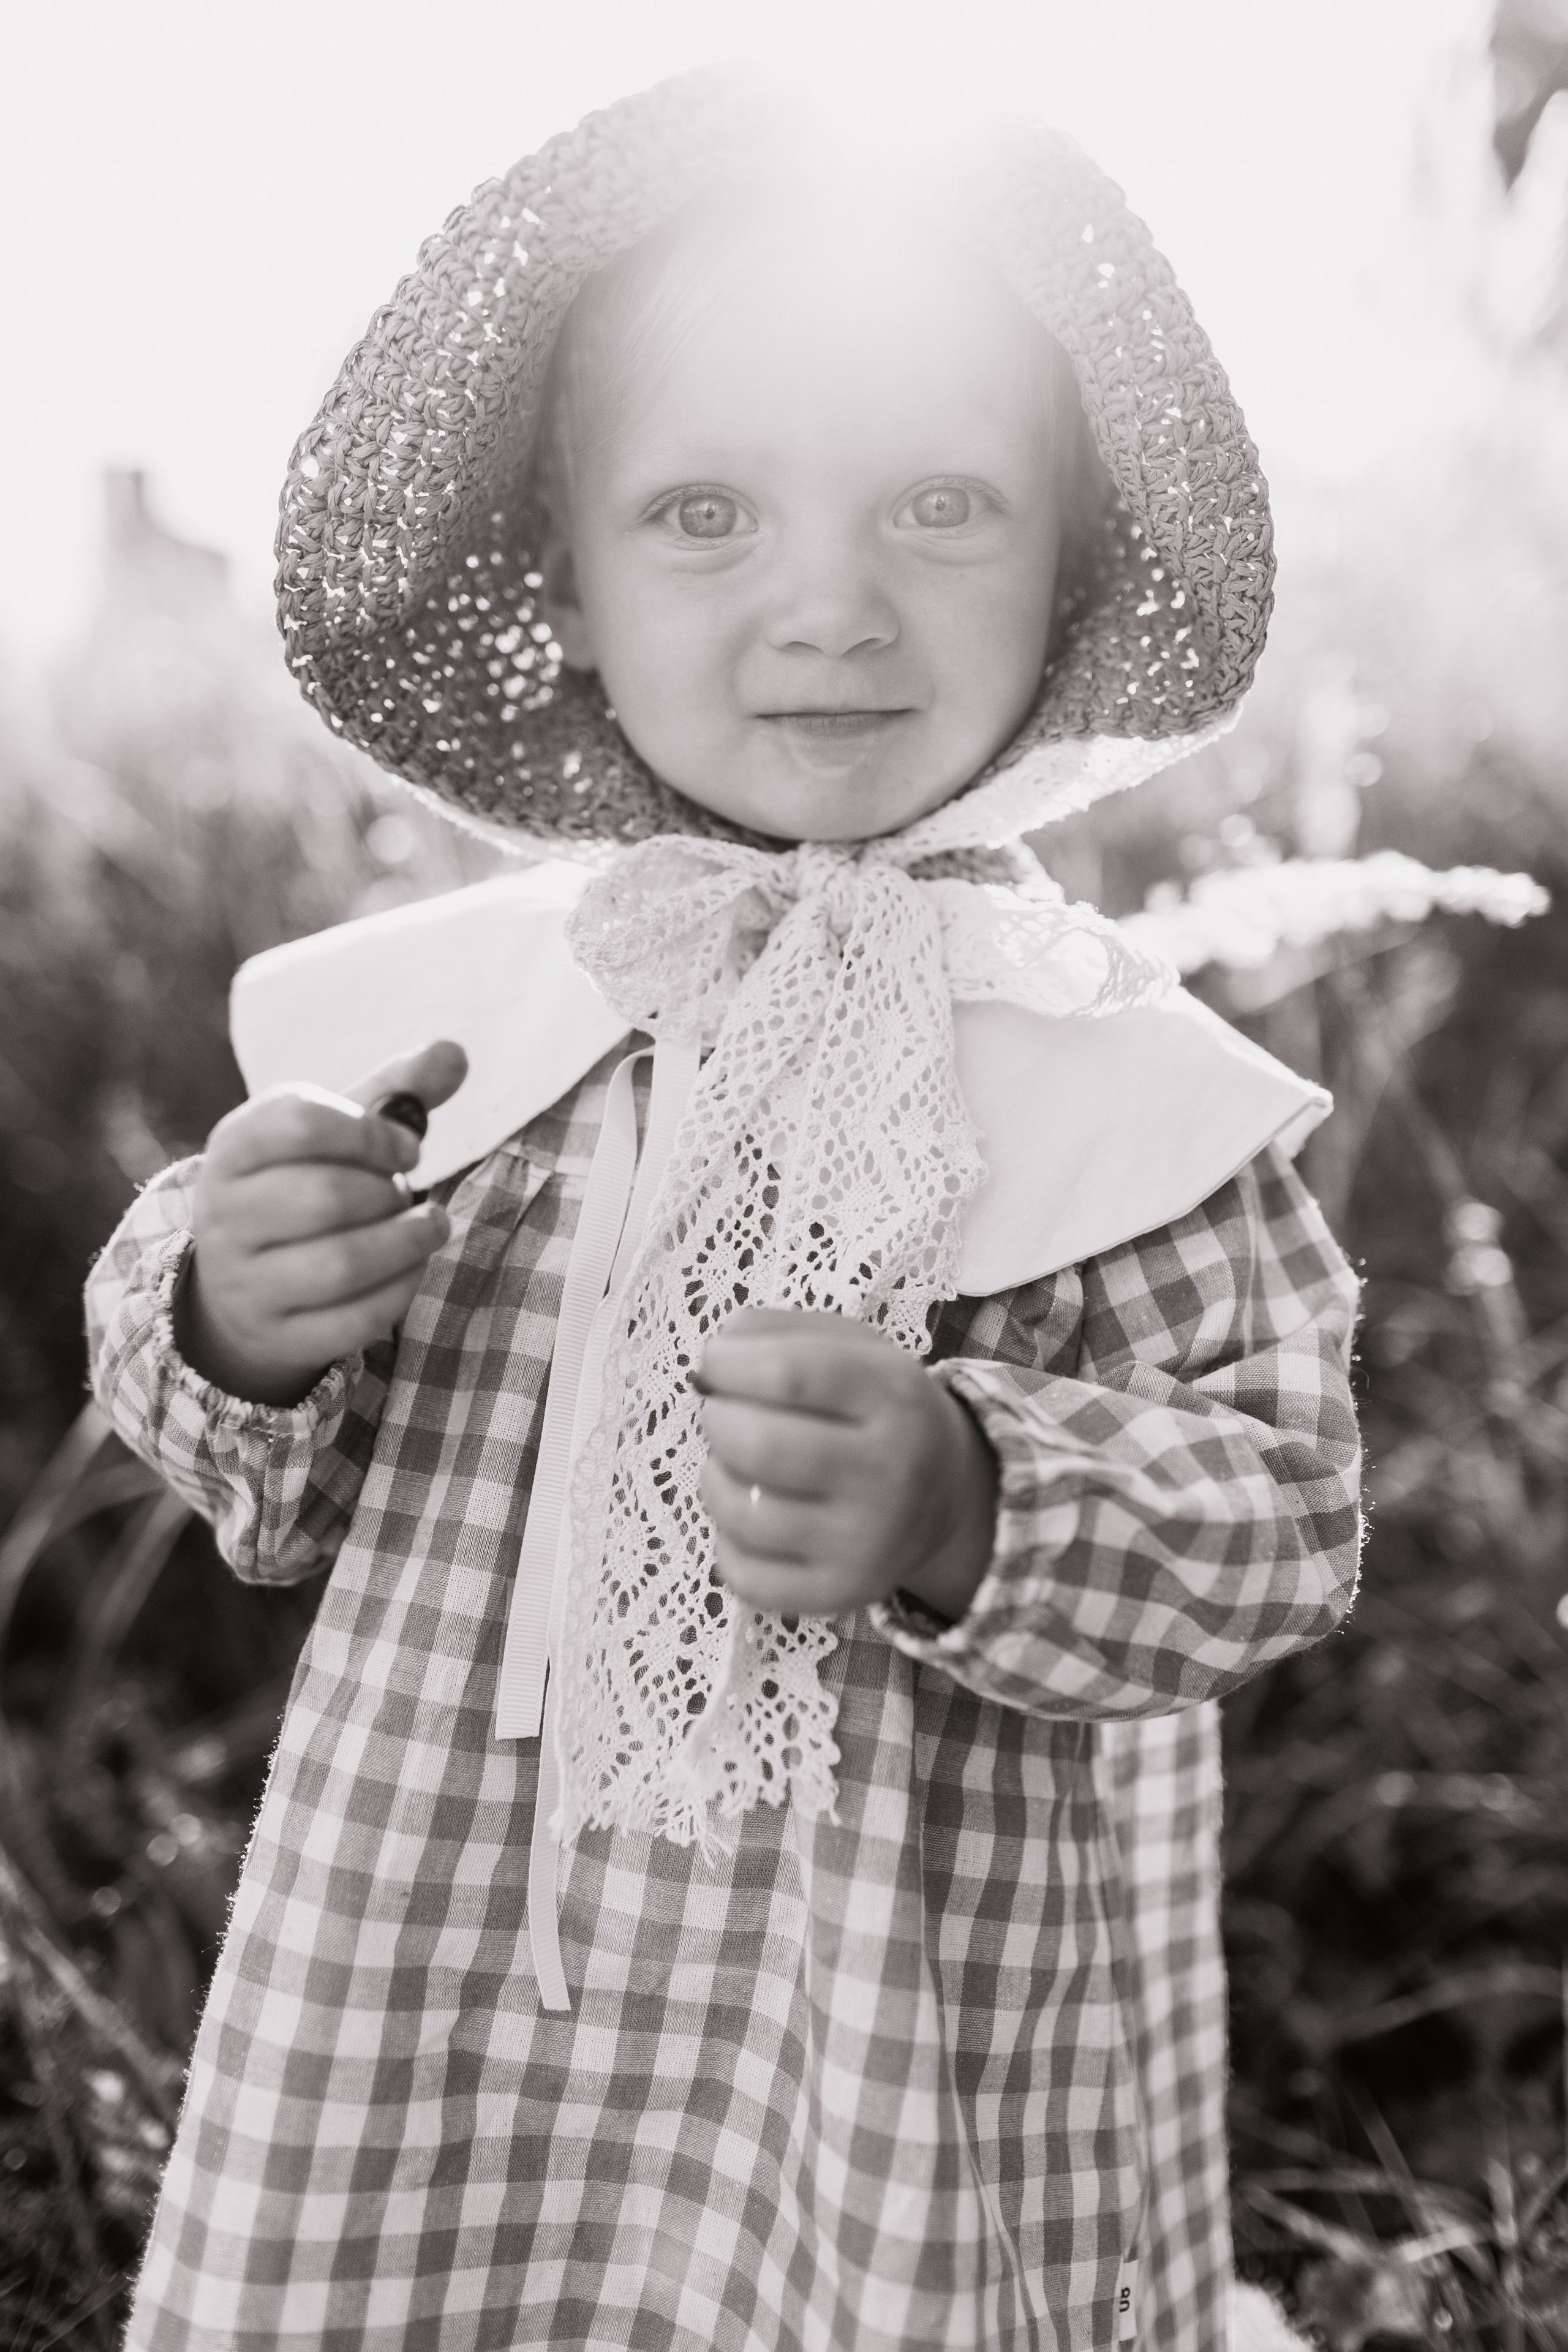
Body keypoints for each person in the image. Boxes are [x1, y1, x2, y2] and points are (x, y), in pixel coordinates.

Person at [88, 70, 1360, 2352]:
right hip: (456, 1961)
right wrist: (236, 1314)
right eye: (704, 514)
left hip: (902, 1991)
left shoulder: (1101, 1067)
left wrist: (979, 1488)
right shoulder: (477, 1025)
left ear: (1064, 572)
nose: (833, 608)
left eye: (942, 505)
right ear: (564, 590)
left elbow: (1277, 1513)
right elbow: (263, 1484)